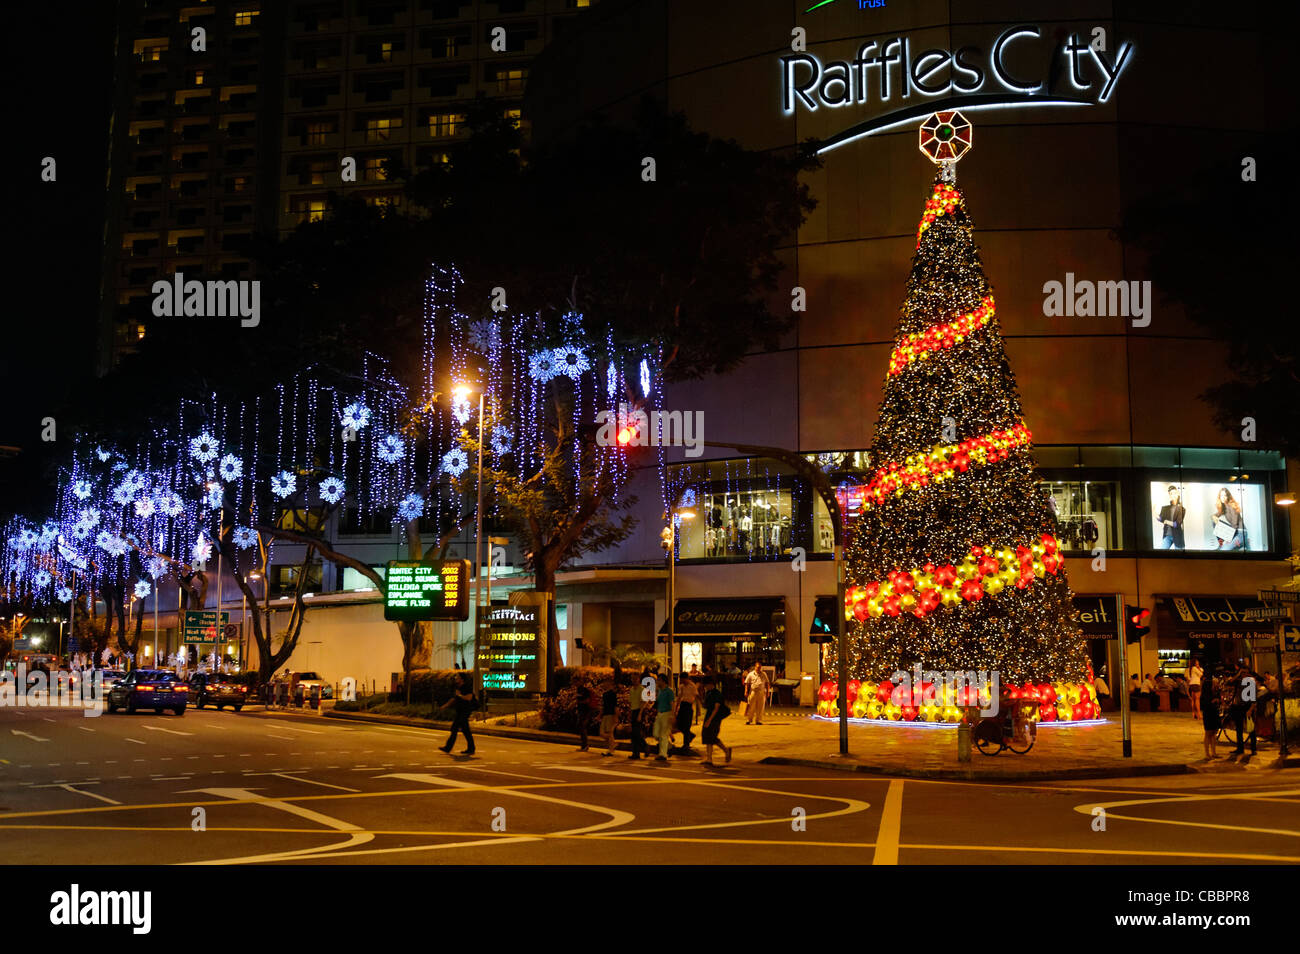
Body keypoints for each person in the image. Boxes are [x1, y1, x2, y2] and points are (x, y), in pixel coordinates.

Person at [440, 672, 476, 756]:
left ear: (462, 679)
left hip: (465, 711)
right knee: (465, 730)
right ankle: (471, 748)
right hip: (460, 711)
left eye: (457, 677)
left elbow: (469, 698)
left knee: (455, 728)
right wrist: (445, 706)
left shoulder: (467, 687)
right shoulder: (458, 687)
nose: (456, 678)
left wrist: (459, 695)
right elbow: (454, 699)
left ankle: (448, 747)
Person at [701, 675, 733, 766]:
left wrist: (709, 720)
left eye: (706, 685)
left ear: (711, 684)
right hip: (708, 716)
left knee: (712, 737)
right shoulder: (708, 693)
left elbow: (716, 708)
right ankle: (709, 759)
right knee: (707, 737)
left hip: (715, 718)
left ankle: (726, 751)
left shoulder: (717, 693)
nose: (705, 687)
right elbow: (705, 705)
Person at [1228, 664, 1257, 755]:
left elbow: (1253, 697)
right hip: (1239, 707)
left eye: (1245, 672)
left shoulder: (1251, 681)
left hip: (1248, 707)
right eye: (1242, 672)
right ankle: (1240, 749)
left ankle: (1253, 749)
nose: (1243, 674)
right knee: (1239, 729)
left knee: (1251, 728)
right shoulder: (1238, 680)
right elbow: (1229, 682)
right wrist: (1238, 674)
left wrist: (1251, 709)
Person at [653, 673, 675, 761]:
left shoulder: (669, 691)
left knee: (663, 735)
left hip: (667, 713)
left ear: (663, 681)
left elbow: (672, 703)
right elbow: (657, 701)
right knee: (656, 734)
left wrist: (672, 715)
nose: (657, 682)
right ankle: (669, 746)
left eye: (658, 680)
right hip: (659, 714)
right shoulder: (659, 691)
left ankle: (663, 755)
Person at [1156, 484, 1186, 549]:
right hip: (1167, 535)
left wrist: (1166, 521)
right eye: (1171, 493)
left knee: (1180, 557)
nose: (1173, 495)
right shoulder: (1165, 508)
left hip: (1178, 536)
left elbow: (1177, 524)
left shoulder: (1182, 509)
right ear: (1169, 495)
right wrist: (1154, 514)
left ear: (1178, 494)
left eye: (1175, 493)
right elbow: (1161, 519)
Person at [627, 667, 647, 760]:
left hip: (639, 711)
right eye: (632, 679)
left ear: (639, 679)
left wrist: (640, 714)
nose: (634, 680)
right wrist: (630, 713)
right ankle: (636, 753)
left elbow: (644, 702)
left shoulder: (642, 689)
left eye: (635, 679)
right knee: (633, 734)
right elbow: (631, 702)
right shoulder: (631, 689)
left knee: (637, 733)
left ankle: (645, 747)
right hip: (633, 710)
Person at [676, 674, 698, 750]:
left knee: (687, 725)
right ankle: (690, 735)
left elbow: (696, 696)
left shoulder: (692, 686)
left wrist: (698, 708)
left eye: (682, 679)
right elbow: (679, 697)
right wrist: (676, 708)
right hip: (682, 705)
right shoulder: (681, 686)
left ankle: (686, 744)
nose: (681, 681)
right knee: (679, 724)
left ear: (686, 678)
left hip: (689, 705)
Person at [1202, 682, 1221, 760]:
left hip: (1215, 713)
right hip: (1208, 714)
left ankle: (1214, 752)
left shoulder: (1216, 693)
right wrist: (1213, 701)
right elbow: (1205, 704)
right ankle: (1207, 753)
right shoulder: (1205, 695)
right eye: (1213, 684)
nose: (1215, 685)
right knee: (1208, 733)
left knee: (1214, 733)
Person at [599, 677, 617, 757]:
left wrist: (616, 716)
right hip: (606, 714)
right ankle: (613, 744)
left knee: (609, 733)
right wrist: (599, 715)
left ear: (609, 683)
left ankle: (611, 749)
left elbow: (615, 706)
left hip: (610, 714)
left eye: (604, 682)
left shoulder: (612, 694)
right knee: (602, 733)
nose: (603, 684)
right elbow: (604, 706)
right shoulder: (605, 694)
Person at [574, 681, 594, 751]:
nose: (575, 683)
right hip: (581, 711)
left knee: (582, 727)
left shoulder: (584, 690)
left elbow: (587, 701)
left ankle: (585, 745)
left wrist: (578, 702)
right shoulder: (578, 690)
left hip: (585, 711)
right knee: (581, 727)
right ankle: (584, 745)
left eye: (575, 682)